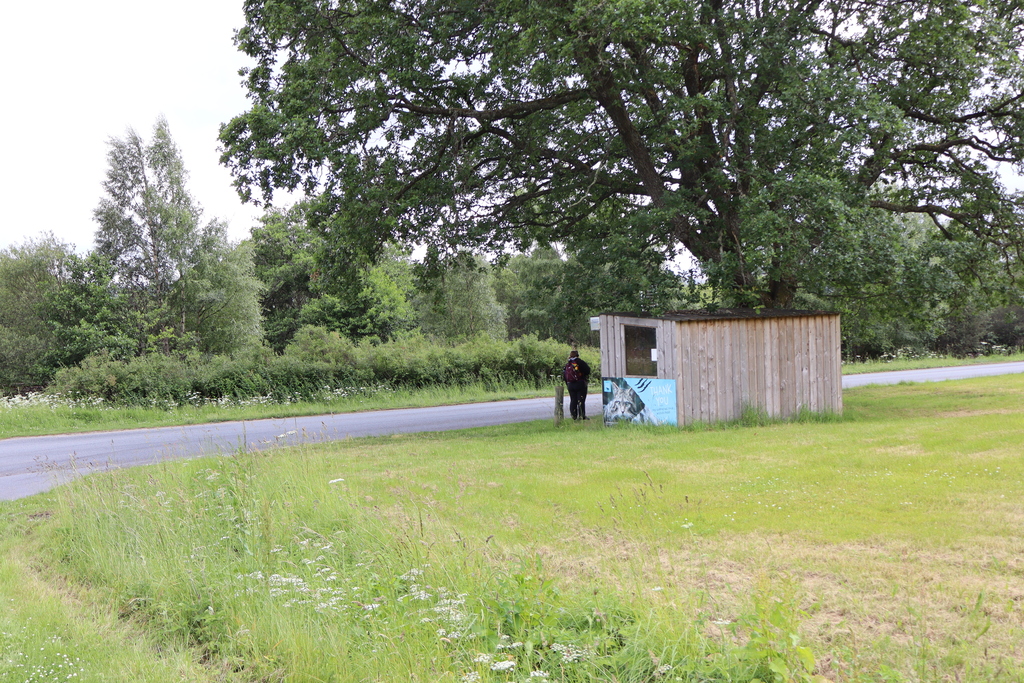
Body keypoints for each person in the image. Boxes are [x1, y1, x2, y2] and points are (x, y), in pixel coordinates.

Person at [563, 349, 591, 420]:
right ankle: (582, 416)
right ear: (577, 355)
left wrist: (568, 383)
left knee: (573, 400)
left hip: (570, 385)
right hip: (580, 383)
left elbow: (564, 375)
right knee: (581, 400)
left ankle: (574, 416)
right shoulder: (580, 362)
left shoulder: (568, 364)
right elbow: (588, 371)